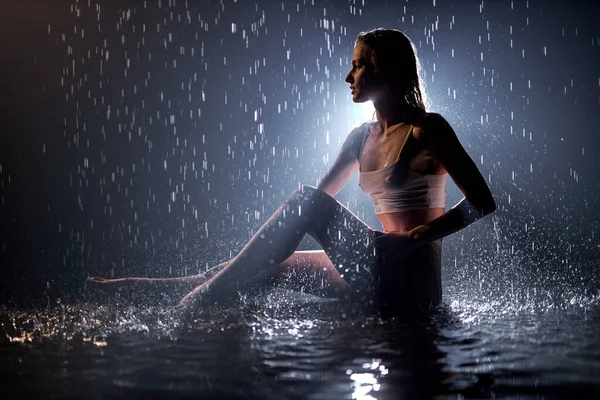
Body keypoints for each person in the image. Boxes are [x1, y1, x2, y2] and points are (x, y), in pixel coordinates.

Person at [88, 28, 496, 316]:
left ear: (385, 71)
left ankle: (191, 306)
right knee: (267, 261)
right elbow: (311, 211)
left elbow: (482, 203)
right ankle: (162, 292)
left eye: (359, 66)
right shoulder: (360, 137)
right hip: (376, 265)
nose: (348, 77)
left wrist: (411, 238)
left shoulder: (428, 129)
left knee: (304, 201)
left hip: (410, 283)